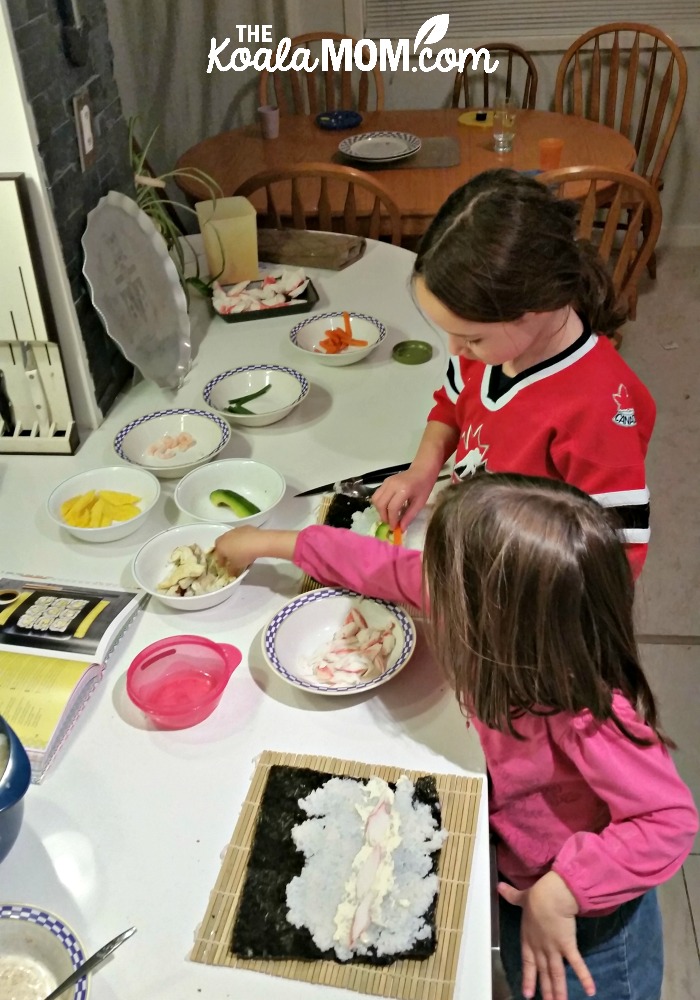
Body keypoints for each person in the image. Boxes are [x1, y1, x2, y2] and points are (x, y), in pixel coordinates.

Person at [214, 473, 697, 1000]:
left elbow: (667, 820)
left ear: (499, 619)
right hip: (521, 880)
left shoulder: (586, 711)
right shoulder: (490, 608)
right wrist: (270, 544)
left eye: (444, 578)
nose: (428, 584)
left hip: (589, 920)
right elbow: (380, 566)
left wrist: (562, 893)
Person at [371, 168, 655, 579]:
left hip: (530, 590)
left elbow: (616, 557)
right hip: (480, 544)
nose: (455, 349)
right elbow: (451, 405)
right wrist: (422, 470)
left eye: (470, 337)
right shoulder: (486, 348)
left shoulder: (596, 408)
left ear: (534, 308)